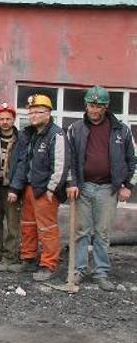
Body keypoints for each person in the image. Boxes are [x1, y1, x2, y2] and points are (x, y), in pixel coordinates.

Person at [66, 86, 136, 291]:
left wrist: (127, 185)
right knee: (81, 231)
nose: (94, 109)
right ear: (86, 105)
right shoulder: (75, 129)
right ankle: (78, 269)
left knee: (102, 232)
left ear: (106, 107)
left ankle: (101, 272)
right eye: (91, 105)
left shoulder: (121, 130)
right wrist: (71, 183)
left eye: (99, 106)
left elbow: (133, 160)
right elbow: (69, 160)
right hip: (83, 187)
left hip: (109, 189)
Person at [8, 94, 69, 282]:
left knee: (47, 229)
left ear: (48, 113)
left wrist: (51, 190)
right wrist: (16, 188)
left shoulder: (56, 135)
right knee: (28, 226)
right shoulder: (29, 134)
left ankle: (48, 264)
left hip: (45, 191)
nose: (33, 115)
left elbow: (60, 165)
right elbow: (22, 163)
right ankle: (28, 258)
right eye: (31, 112)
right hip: (28, 189)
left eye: (38, 112)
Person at [0, 103, 24, 273]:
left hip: (11, 188)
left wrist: (15, 188)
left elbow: (22, 165)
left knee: (13, 224)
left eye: (8, 118)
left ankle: (10, 256)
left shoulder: (21, 139)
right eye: (1, 119)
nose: (5, 122)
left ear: (14, 120)